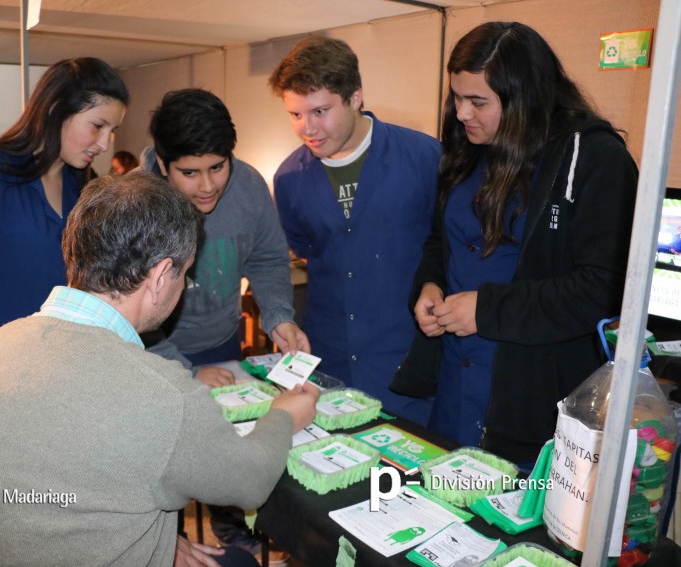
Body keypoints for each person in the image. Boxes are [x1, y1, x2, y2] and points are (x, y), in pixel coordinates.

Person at [0, 172, 319, 567]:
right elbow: (250, 482)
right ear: (160, 277)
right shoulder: (161, 393)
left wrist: (159, 542)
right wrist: (282, 415)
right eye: (184, 272)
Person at [400, 22, 638, 465]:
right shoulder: (470, 144)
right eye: (456, 97)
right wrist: (429, 286)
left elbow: (604, 289)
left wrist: (487, 310)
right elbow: (442, 240)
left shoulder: (594, 159)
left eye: (478, 102)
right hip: (456, 384)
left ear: (525, 98)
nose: (461, 113)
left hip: (531, 403)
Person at [0, 58, 129, 441]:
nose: (104, 144)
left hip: (49, 380)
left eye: (112, 131)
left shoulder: (82, 187)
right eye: (97, 126)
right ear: (54, 110)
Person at [144, 89, 308, 555]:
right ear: (162, 163)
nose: (207, 185)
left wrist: (278, 317)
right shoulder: (138, 202)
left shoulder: (251, 186)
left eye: (218, 167)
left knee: (227, 447)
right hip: (153, 357)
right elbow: (125, 309)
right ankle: (169, 546)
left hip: (222, 343)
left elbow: (269, 258)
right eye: (189, 173)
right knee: (167, 464)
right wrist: (183, 368)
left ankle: (232, 529)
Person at [268, 36, 441, 423]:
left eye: (320, 111)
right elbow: (306, 250)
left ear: (356, 96)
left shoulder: (425, 157)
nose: (307, 128)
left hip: (408, 361)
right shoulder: (289, 178)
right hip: (329, 362)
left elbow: (447, 245)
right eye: (295, 115)